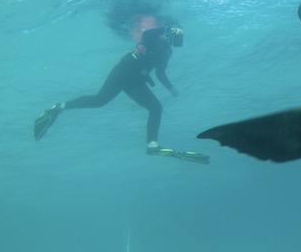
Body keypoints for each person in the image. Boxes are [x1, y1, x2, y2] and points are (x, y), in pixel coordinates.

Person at [33, 25, 209, 164]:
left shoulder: (166, 51)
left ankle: (152, 145)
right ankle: (58, 108)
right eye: (169, 35)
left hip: (137, 81)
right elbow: (147, 33)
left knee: (156, 108)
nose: (168, 40)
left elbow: (160, 72)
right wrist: (165, 28)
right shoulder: (152, 37)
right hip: (123, 72)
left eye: (171, 38)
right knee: (98, 101)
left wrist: (171, 88)